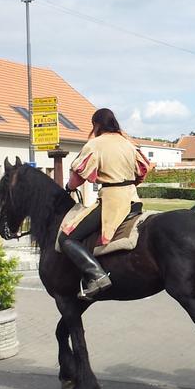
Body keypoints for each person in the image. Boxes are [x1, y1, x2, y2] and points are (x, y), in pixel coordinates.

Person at [61, 108, 153, 299]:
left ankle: (97, 276)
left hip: (113, 202)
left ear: (97, 125)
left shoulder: (95, 144)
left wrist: (69, 187)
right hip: (133, 200)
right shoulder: (128, 144)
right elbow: (142, 171)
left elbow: (78, 178)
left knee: (68, 238)